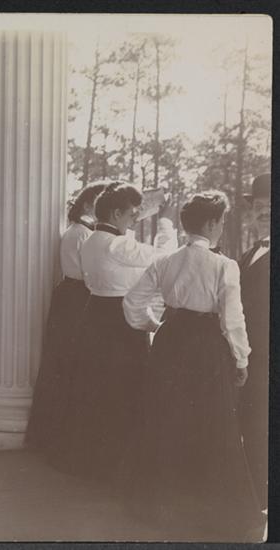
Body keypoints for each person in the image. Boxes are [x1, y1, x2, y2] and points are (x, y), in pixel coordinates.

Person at [120, 191, 263, 540]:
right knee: (211, 424)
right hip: (205, 350)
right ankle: (209, 509)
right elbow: (233, 320)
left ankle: (162, 504)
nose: (222, 227)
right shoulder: (224, 265)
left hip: (170, 343)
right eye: (222, 221)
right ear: (212, 224)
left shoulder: (165, 261)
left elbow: (133, 301)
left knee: (167, 418)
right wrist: (242, 358)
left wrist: (153, 326)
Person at [49, 181, 176, 481]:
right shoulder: (117, 245)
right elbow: (165, 255)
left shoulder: (92, 239)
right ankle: (115, 467)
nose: (135, 219)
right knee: (123, 394)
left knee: (95, 393)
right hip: (120, 326)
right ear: (117, 213)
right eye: (132, 214)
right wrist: (166, 222)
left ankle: (91, 462)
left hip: (94, 318)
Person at [25, 183, 106, 453]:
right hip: (77, 298)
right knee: (69, 362)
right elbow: (90, 273)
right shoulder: (82, 234)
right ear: (88, 205)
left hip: (70, 296)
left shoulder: (79, 231)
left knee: (63, 362)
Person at [238, 173, 271, 509]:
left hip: (268, 357)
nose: (263, 212)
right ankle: (255, 495)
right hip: (249, 355)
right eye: (258, 206)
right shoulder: (248, 254)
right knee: (251, 424)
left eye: (271, 206)